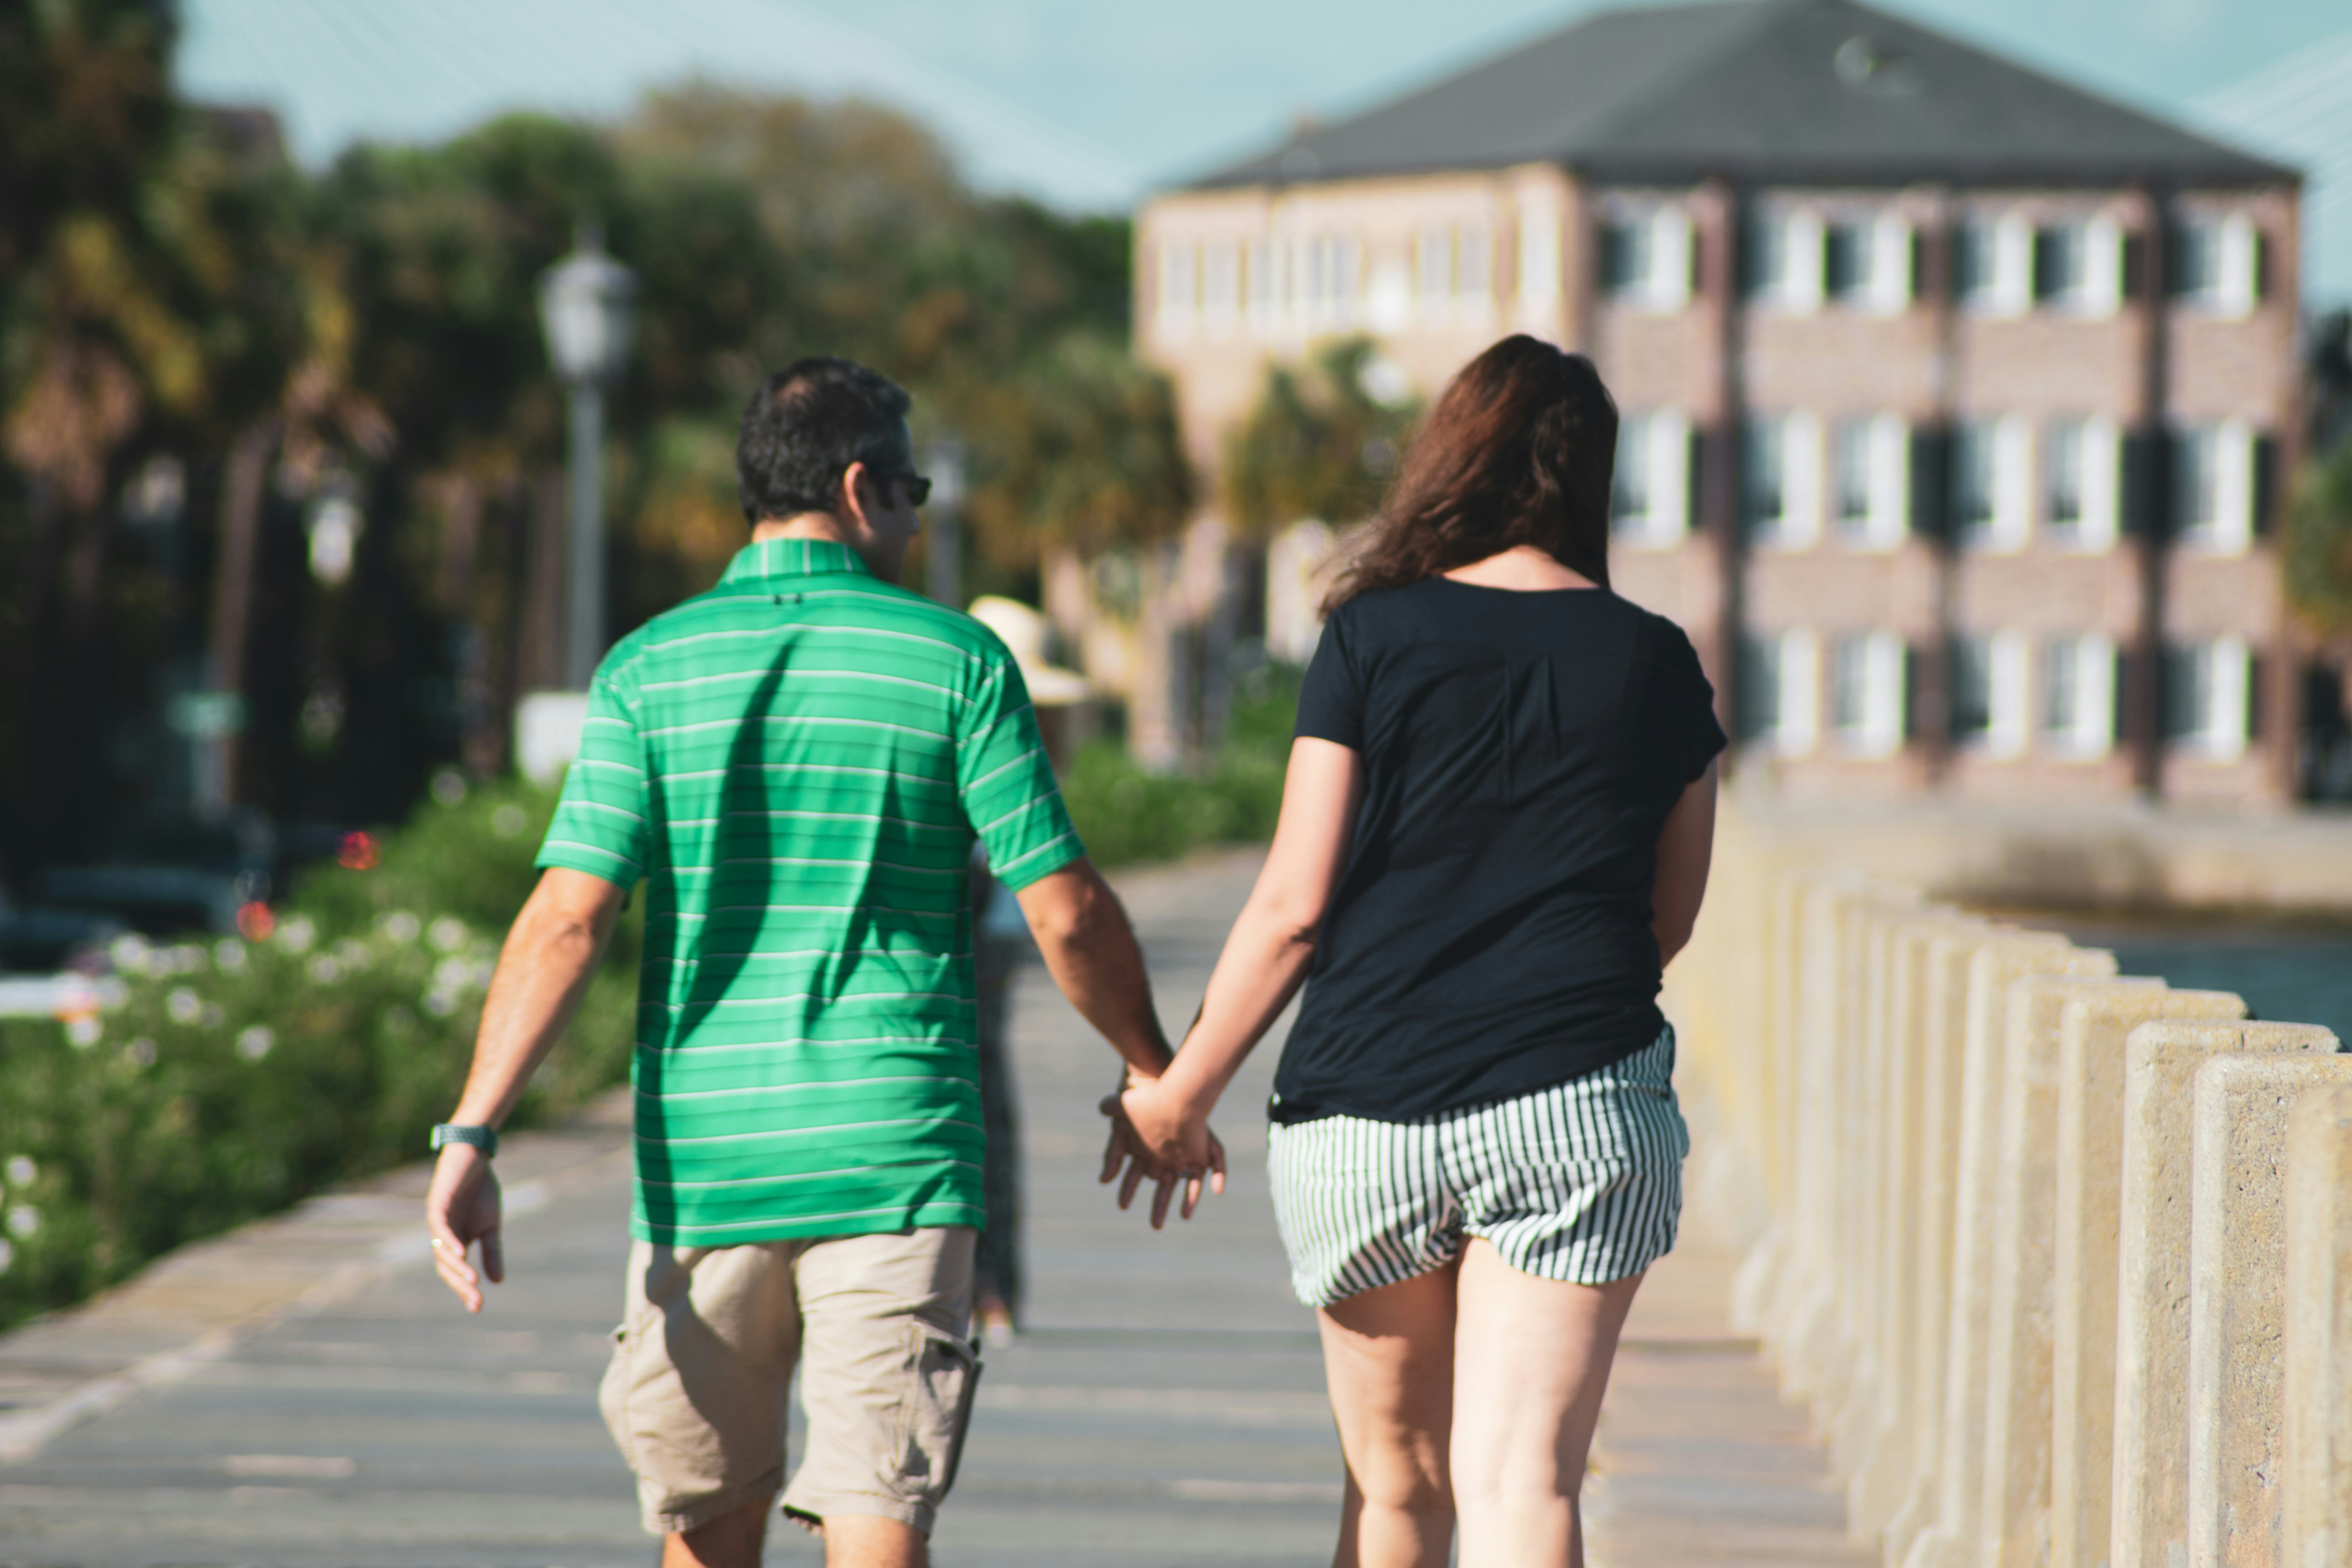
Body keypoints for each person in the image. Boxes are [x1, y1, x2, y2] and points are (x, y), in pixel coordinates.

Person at [422, 356, 1219, 1568]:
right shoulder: (958, 662)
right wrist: (1158, 1073)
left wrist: (473, 1132)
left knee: (708, 1529)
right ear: (858, 489)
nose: (917, 520)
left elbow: (568, 921)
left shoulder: (646, 669)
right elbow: (1067, 913)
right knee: (878, 1514)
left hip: (707, 1163)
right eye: (914, 492)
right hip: (896, 1156)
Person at [1116, 336, 1723, 1568]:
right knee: (1525, 1486)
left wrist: (1181, 1094)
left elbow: (1293, 906)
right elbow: (1668, 920)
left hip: (1365, 1114)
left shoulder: (1369, 637)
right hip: (1575, 1106)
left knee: (1398, 1494)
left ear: (1454, 458)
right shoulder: (1657, 659)